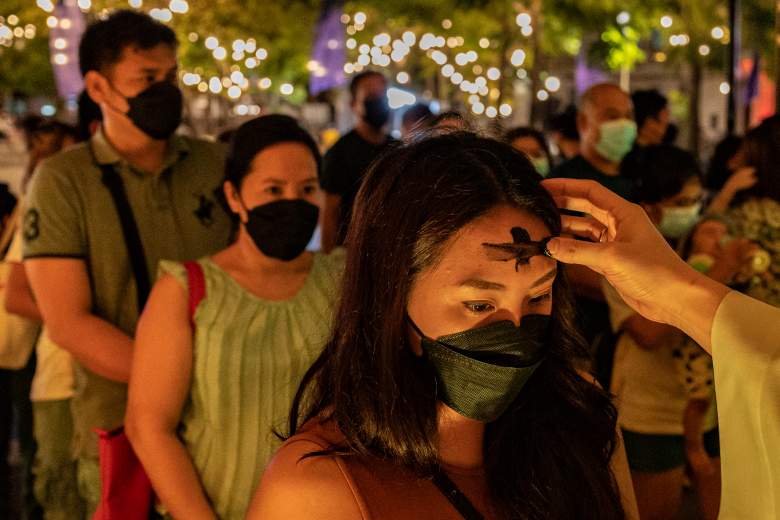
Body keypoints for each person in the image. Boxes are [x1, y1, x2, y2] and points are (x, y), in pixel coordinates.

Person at [248, 132, 639, 519]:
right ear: (393, 300)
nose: (515, 329)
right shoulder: (316, 488)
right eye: (479, 304)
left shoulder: (579, 416)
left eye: (538, 295)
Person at [22, 10, 231, 515]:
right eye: (148, 79)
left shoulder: (214, 164)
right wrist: (180, 380)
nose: (166, 90)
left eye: (172, 76)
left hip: (224, 422)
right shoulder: (63, 180)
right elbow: (68, 322)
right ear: (98, 87)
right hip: (118, 426)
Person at [125, 115, 344, 519]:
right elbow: (149, 426)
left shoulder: (344, 280)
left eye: (307, 189)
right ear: (234, 196)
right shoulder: (185, 289)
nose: (291, 202)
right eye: (273, 189)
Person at [541, 177, 780, 519]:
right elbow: (647, 333)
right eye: (479, 304)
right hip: (649, 409)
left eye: (539, 296)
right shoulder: (632, 265)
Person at [603, 146, 729, 519]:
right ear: (650, 207)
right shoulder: (621, 256)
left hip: (705, 405)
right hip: (650, 411)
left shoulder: (700, 242)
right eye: (682, 201)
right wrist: (719, 271)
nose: (691, 209)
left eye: (696, 200)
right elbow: (647, 332)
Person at [549, 83, 636, 386]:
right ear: (584, 124)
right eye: (612, 116)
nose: (624, 125)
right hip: (584, 336)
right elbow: (567, 264)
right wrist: (634, 291)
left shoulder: (637, 179)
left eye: (628, 116)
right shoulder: (566, 184)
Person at [320, 71, 394, 252]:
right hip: (352, 255)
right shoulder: (339, 153)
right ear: (354, 104)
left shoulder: (397, 149)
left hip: (391, 252)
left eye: (382, 95)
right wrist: (328, 259)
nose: (378, 101)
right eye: (370, 96)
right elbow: (329, 213)